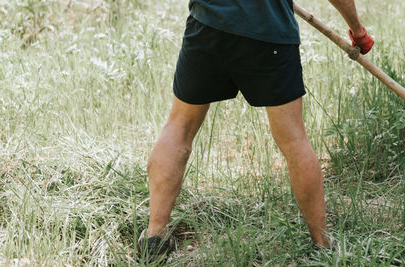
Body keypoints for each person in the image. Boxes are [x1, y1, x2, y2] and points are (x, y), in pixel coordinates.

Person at [138, 0, 374, 260]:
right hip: (268, 33)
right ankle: (323, 246)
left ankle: (154, 237)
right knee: (294, 140)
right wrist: (358, 30)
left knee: (179, 127)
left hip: (208, 26)